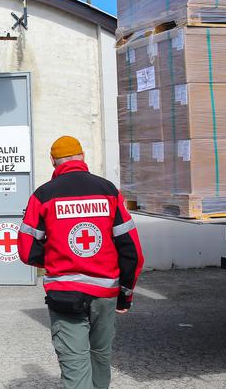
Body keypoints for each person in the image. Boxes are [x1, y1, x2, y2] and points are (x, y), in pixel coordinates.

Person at [18, 136, 144, 389]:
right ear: (83, 157)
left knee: (75, 363)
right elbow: (131, 250)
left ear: (53, 161)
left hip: (65, 294)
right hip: (105, 293)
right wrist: (125, 294)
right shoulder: (108, 191)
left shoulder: (43, 195)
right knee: (100, 357)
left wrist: (57, 257)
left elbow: (26, 249)